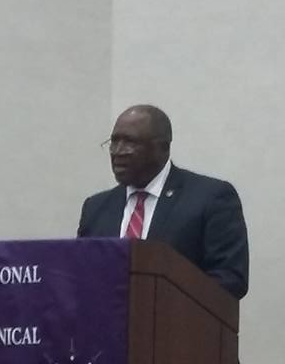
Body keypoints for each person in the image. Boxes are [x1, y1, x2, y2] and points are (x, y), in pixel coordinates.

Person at [77, 105, 249, 299]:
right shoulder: (96, 207)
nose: (118, 151)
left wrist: (158, 296)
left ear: (163, 147)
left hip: (178, 317)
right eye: (114, 142)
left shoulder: (210, 198)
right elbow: (79, 275)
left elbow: (230, 279)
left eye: (130, 142)